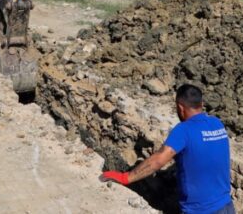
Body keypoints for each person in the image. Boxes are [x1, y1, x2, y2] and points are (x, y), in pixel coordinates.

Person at [100, 84, 234, 214]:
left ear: (180, 108)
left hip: (200, 210)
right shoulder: (217, 123)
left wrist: (126, 177)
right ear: (201, 104)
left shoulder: (184, 130)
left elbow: (159, 160)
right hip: (227, 206)